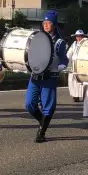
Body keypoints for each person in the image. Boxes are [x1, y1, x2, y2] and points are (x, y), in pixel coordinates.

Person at [26, 10, 68, 142]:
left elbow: (65, 60)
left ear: (54, 25)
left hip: (50, 76)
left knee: (48, 106)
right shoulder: (37, 37)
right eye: (44, 23)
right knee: (30, 104)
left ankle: (41, 132)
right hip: (36, 75)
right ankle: (42, 121)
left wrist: (61, 66)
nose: (46, 25)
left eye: (49, 23)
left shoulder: (60, 42)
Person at [67, 29, 86, 102]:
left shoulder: (85, 43)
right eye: (78, 36)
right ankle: (75, 95)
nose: (79, 38)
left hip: (82, 65)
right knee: (72, 80)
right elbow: (69, 53)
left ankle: (83, 94)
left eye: (80, 36)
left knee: (81, 81)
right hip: (73, 64)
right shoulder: (74, 44)